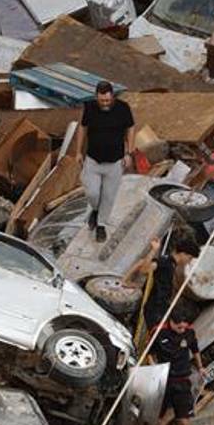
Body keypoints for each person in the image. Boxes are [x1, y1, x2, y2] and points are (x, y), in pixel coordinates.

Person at [149, 307, 205, 425]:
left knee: (184, 422)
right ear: (170, 322)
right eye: (178, 327)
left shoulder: (189, 332)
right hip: (164, 381)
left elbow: (195, 350)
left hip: (182, 381)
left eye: (184, 327)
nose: (182, 330)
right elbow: (149, 353)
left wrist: (201, 366)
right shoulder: (158, 332)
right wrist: (154, 370)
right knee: (160, 418)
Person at [75, 80, 135, 243]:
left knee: (109, 196)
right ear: (96, 97)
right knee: (92, 193)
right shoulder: (89, 108)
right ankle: (95, 209)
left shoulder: (123, 108)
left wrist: (129, 152)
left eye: (108, 100)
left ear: (112, 97)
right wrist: (78, 151)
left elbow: (130, 128)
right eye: (102, 101)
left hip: (115, 162)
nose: (105, 103)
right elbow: (82, 128)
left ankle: (101, 225)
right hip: (93, 160)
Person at [124, 236, 199, 332]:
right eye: (189, 258)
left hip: (158, 309)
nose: (188, 262)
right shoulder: (165, 262)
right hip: (151, 309)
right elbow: (144, 268)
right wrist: (154, 250)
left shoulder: (171, 264)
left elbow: (141, 263)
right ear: (183, 254)